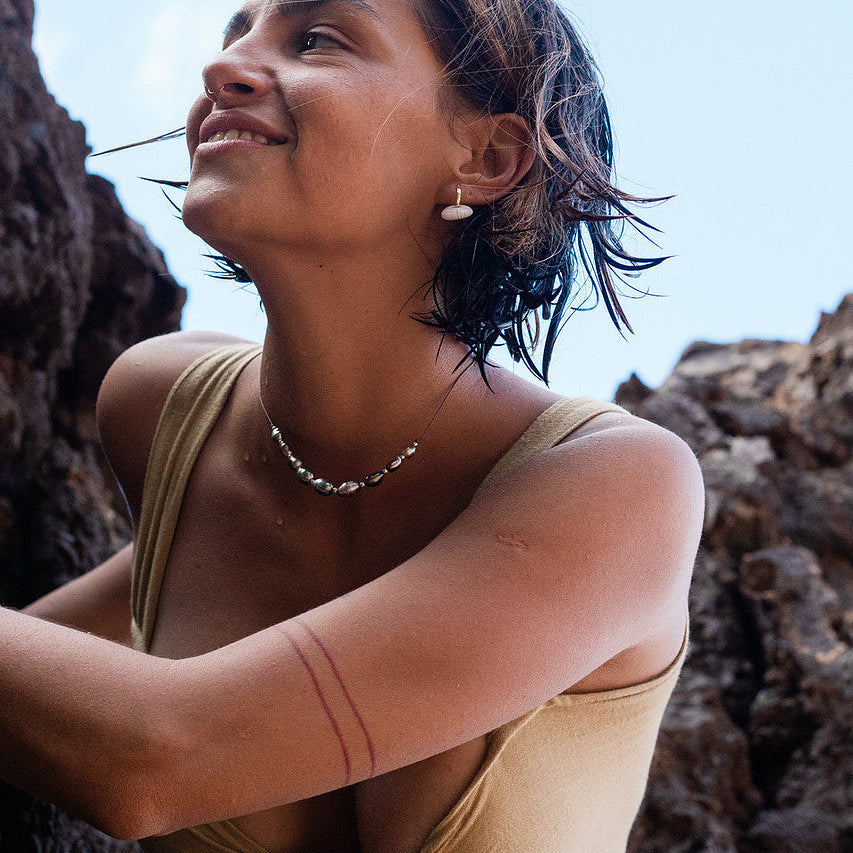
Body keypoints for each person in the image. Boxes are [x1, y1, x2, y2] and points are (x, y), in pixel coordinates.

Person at [0, 0, 704, 851]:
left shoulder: (620, 485)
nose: (223, 68)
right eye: (235, 34)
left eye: (316, 40)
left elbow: (155, 755)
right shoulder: (163, 410)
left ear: (485, 157)